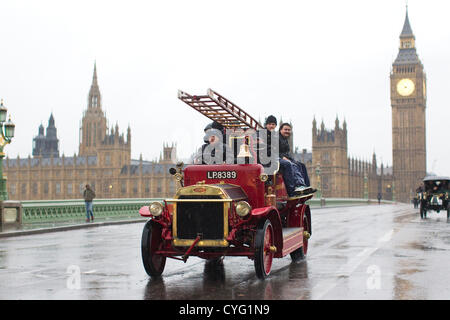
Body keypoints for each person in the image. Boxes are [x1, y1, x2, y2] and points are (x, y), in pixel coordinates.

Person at [278, 122, 315, 197]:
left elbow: (287, 154)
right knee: (291, 165)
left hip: (284, 158)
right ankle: (296, 187)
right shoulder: (276, 138)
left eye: (289, 130)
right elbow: (272, 151)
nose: (287, 131)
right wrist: (282, 157)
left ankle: (306, 187)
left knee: (301, 165)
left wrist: (293, 160)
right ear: (280, 130)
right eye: (285, 129)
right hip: (278, 159)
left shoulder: (285, 140)